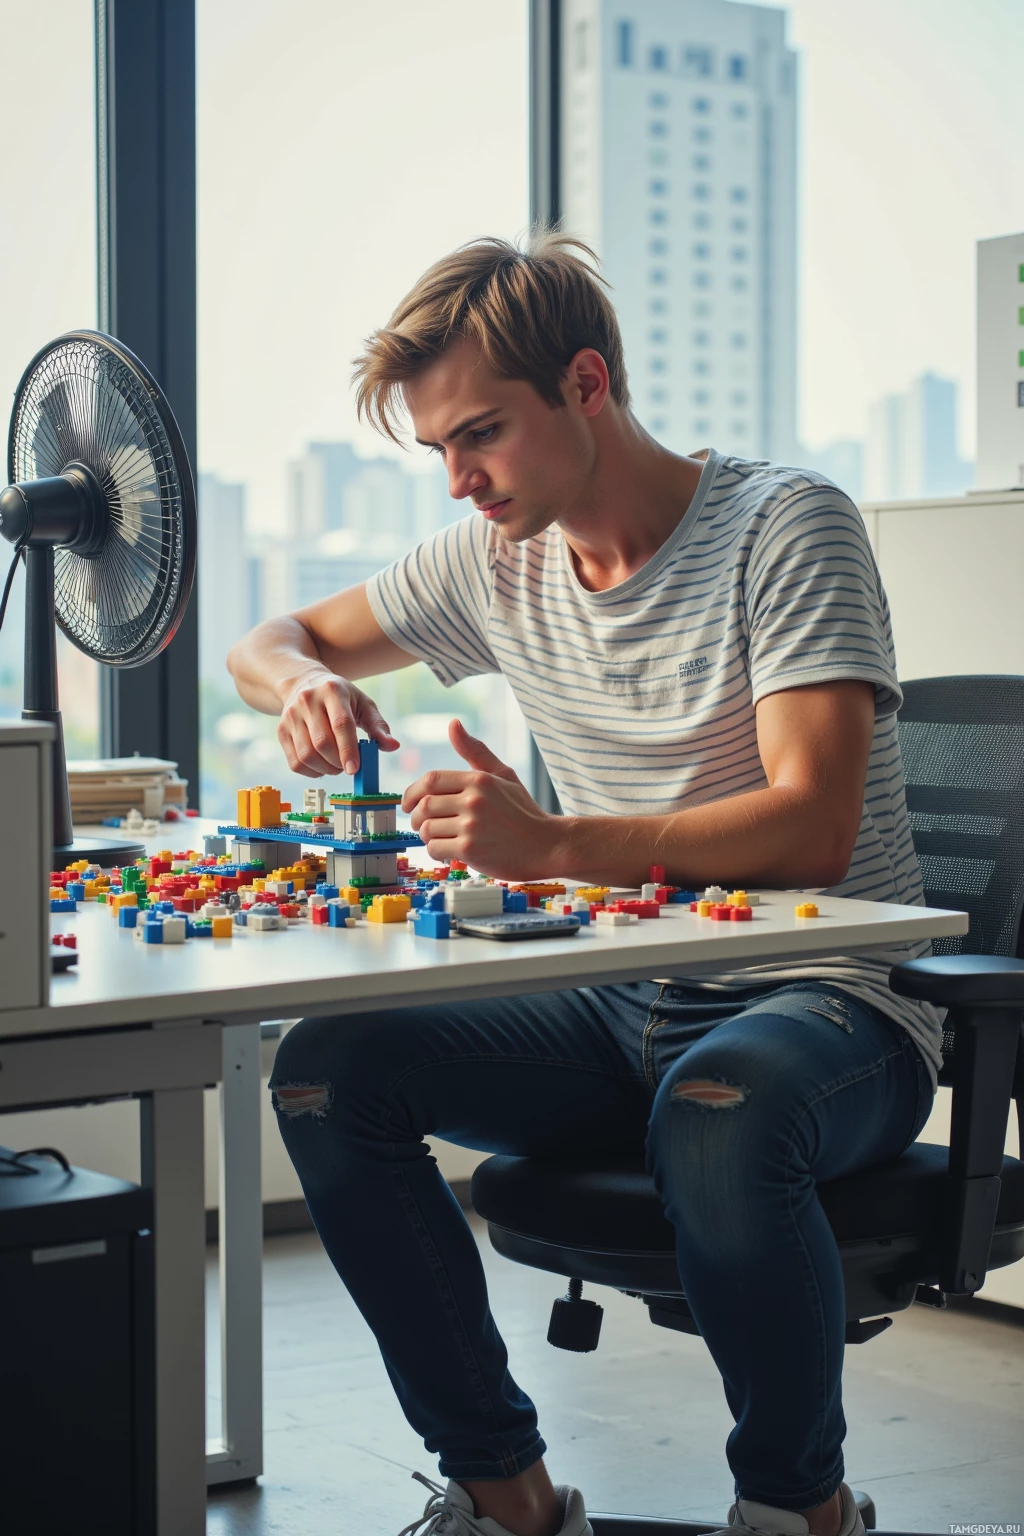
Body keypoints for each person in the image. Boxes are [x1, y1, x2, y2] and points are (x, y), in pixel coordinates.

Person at [227, 230, 938, 1536]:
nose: (460, 480)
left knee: (720, 1109)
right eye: (440, 449)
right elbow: (265, 640)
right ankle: (506, 1495)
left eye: (482, 434)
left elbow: (813, 826)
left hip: (837, 1007)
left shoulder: (785, 525)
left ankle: (801, 1510)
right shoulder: (494, 560)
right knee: (329, 1069)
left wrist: (552, 844)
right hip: (624, 1003)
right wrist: (311, 683)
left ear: (589, 385)